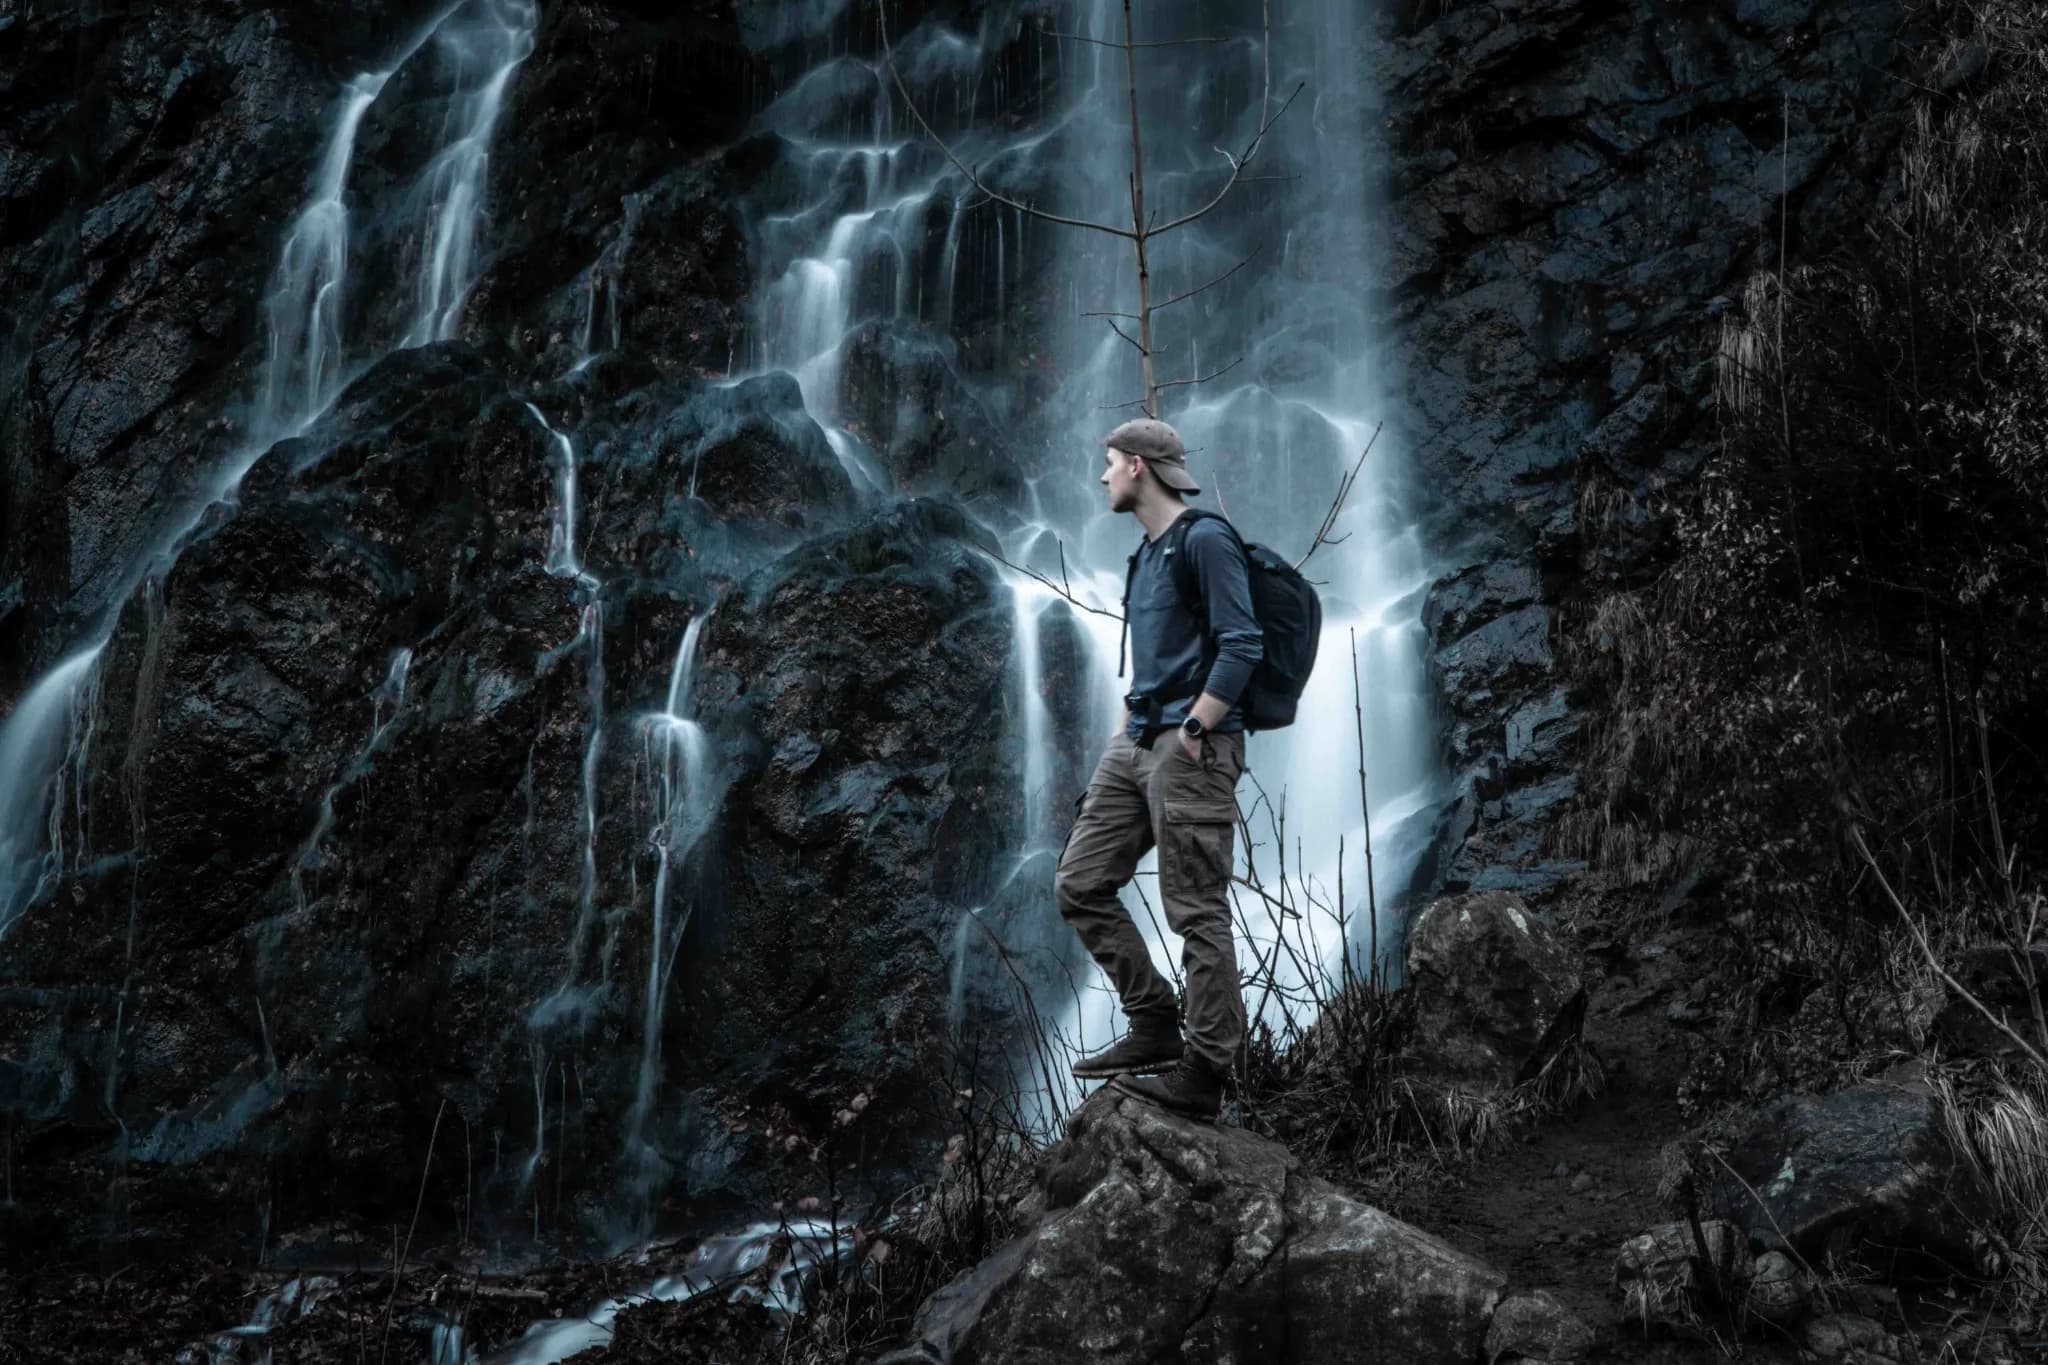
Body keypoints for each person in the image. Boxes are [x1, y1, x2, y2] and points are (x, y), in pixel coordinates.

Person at [1053, 417, 1262, 1119]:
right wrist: (1123, 738)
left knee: (1196, 909)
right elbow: (1155, 662)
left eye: (1109, 462)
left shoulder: (1204, 541)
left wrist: (1198, 726)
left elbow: (1243, 643)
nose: (1103, 475)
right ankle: (1153, 1021)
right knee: (1080, 882)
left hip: (1190, 743)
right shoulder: (1145, 556)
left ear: (1139, 466)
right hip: (1137, 738)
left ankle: (1205, 1071)